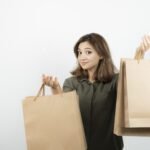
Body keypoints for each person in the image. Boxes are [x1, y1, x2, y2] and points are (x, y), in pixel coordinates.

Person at [42, 33, 150, 150]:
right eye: (79, 52)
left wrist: (140, 53)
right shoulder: (71, 82)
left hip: (109, 146)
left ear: (101, 55)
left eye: (88, 52)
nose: (82, 57)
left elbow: (131, 82)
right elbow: (64, 114)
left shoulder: (115, 81)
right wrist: (55, 88)